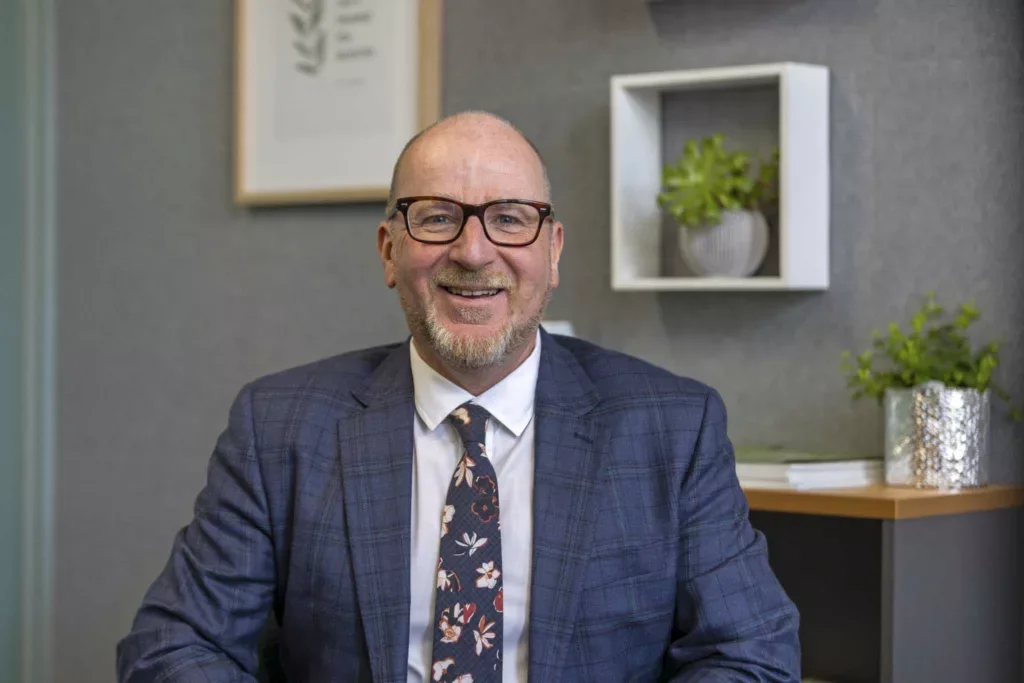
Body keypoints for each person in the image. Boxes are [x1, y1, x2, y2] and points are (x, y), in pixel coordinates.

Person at [117, 111, 800, 682]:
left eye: (509, 218)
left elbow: (751, 652)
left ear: (553, 252)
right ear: (388, 251)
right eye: (438, 217)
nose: (474, 252)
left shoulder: (672, 428)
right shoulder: (280, 427)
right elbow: (173, 648)